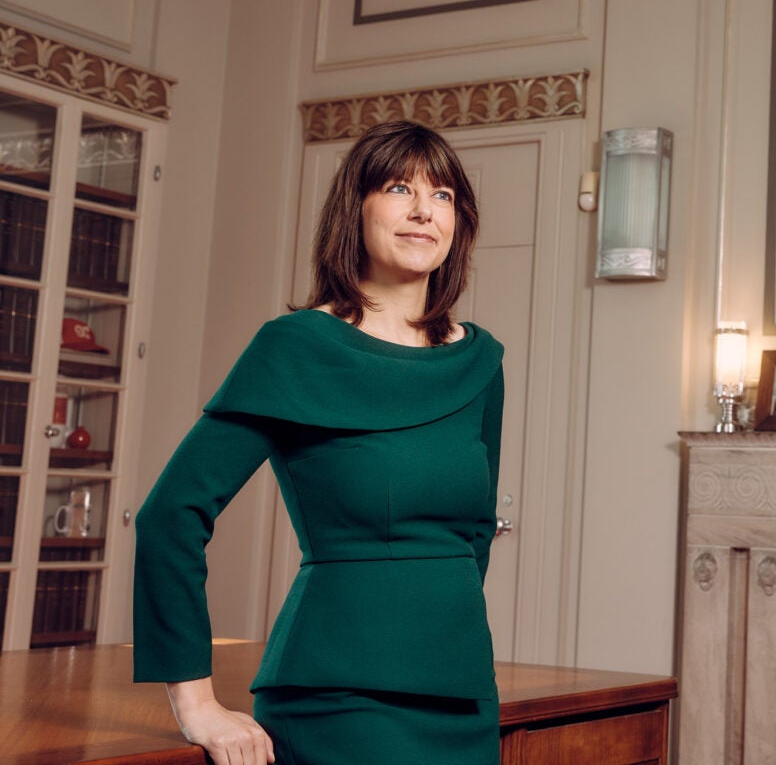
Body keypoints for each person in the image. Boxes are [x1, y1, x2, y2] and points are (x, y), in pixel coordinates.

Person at [133, 120, 505, 765]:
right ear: (354, 210)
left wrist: (444, 646)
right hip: (339, 692)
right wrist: (196, 704)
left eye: (442, 195)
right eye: (398, 189)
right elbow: (170, 516)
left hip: (461, 688)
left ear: (460, 221)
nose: (423, 211)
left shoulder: (480, 360)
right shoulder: (295, 347)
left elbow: (473, 534)